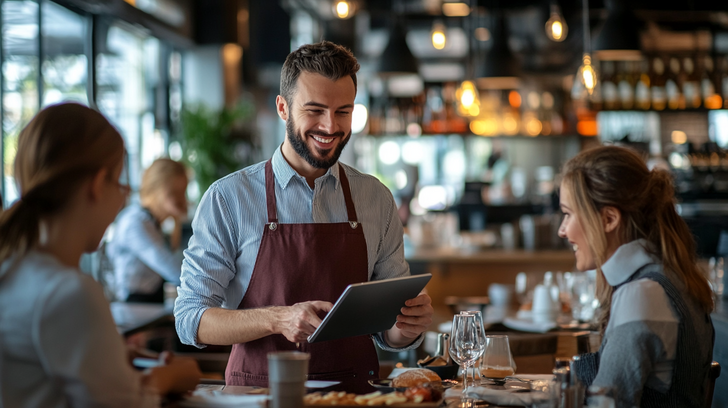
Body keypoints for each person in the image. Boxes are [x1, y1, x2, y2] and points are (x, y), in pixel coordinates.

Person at [174, 41, 433, 391]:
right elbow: (190, 319)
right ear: (283, 108)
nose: (330, 126)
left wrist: (406, 328)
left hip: (355, 396)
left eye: (343, 111)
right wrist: (276, 317)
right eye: (315, 110)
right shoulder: (228, 197)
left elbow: (388, 332)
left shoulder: (376, 198)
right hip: (260, 395)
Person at [0, 103, 200, 407]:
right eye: (120, 183)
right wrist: (172, 376)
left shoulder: (12, 270)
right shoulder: (68, 292)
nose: (122, 199)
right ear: (96, 184)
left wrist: (110, 358)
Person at [558, 145, 714, 408]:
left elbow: (605, 406)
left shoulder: (642, 294)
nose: (563, 230)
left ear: (609, 219)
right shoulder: (669, 274)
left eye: (569, 214)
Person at [107, 158, 188, 303]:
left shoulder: (152, 222)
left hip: (147, 303)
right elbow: (173, 270)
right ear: (159, 190)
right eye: (176, 192)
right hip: (133, 304)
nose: (183, 200)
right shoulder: (136, 223)